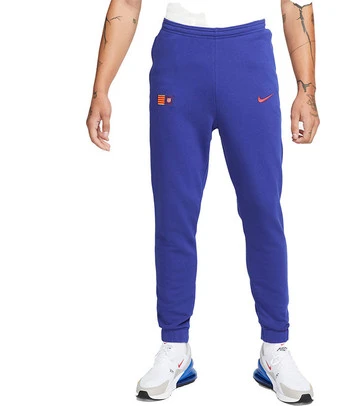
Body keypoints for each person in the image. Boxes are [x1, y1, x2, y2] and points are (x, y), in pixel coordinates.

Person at [86, 0, 320, 403]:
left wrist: (307, 92)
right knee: (174, 213)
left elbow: (296, 4)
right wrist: (100, 90)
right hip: (179, 57)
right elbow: (127, 2)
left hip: (248, 56)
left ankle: (275, 347)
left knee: (263, 211)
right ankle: (175, 346)